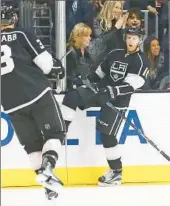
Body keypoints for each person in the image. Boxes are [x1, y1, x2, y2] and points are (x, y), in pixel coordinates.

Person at [61, 27, 149, 186]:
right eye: (129, 37)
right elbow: (98, 74)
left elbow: (130, 87)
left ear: (140, 40)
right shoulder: (114, 53)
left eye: (134, 38)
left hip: (118, 101)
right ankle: (61, 131)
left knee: (107, 136)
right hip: (100, 91)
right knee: (72, 96)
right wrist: (84, 81)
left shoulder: (141, 62)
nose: (130, 41)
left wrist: (111, 91)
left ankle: (116, 172)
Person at [1, 4, 66, 201]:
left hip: (11, 102)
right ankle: (48, 168)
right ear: (13, 19)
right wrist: (57, 68)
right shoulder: (22, 33)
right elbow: (46, 65)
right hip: (36, 93)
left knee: (32, 145)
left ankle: (48, 186)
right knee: (55, 132)